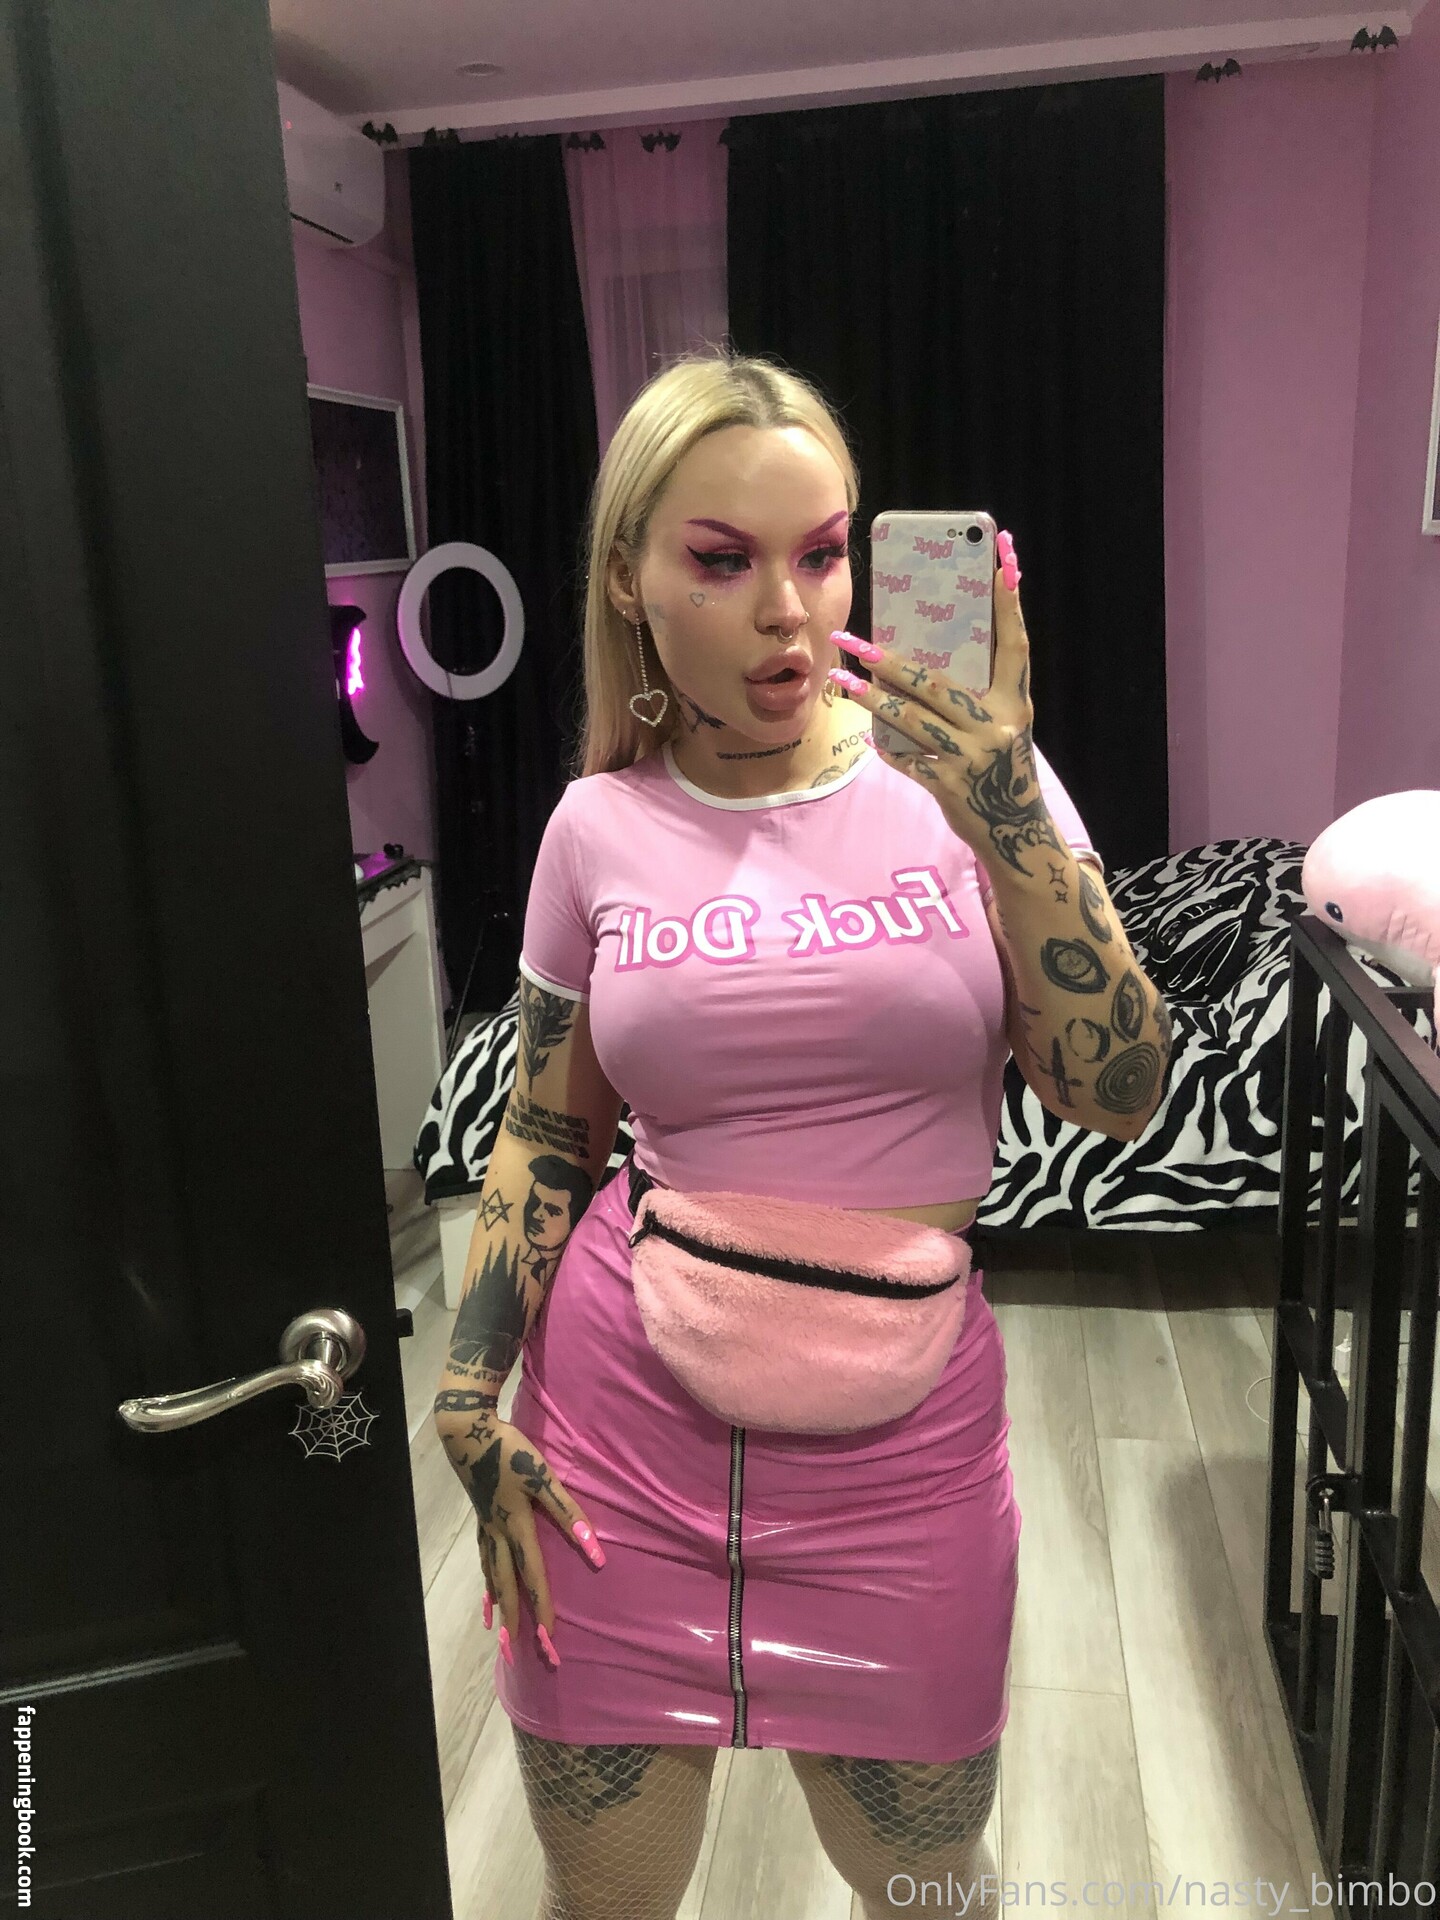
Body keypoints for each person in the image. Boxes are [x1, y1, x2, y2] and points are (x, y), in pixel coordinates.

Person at [433, 349, 1169, 1920]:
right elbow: (548, 1131)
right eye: (722, 560)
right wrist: (463, 1394)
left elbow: (1120, 1091)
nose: (788, 609)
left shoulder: (972, 786)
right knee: (604, 1904)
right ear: (630, 581)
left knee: (929, 1890)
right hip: (616, 1456)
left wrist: (1004, 806)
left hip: (900, 1471)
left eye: (823, 553)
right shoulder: (596, 827)